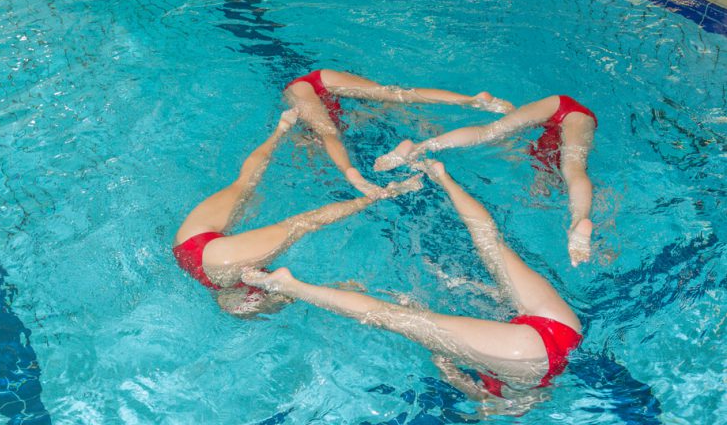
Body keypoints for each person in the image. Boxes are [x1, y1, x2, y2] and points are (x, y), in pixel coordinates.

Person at [243, 161, 582, 400]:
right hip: (521, 355)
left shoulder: (535, 388)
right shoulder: (501, 403)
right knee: (392, 317)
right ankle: (291, 286)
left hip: (565, 329)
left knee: (492, 243)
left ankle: (441, 176)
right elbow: (475, 391)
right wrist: (445, 364)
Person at [173, 109, 422, 316]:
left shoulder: (244, 300)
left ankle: (381, 195)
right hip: (186, 243)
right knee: (244, 181)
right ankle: (281, 129)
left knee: (302, 223)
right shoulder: (241, 298)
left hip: (221, 263)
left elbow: (296, 294)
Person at [374, 95, 597, 266]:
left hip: (558, 102)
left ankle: (419, 147)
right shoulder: (545, 163)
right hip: (578, 119)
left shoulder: (540, 157)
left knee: (488, 131)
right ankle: (579, 219)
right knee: (573, 169)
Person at [284, 69, 514, 199]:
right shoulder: (329, 118)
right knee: (395, 95)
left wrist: (348, 171)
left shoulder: (307, 137)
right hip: (322, 76)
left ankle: (351, 174)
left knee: (328, 134)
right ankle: (470, 100)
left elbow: (328, 137)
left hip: (299, 90)